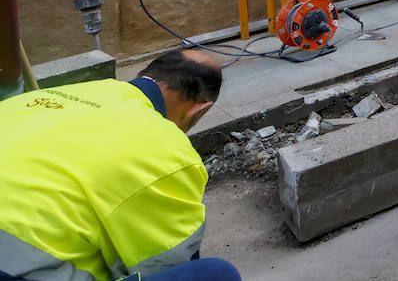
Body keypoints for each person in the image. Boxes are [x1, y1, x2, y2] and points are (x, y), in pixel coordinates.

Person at [0, 49, 239, 281]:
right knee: (215, 274)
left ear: (145, 74)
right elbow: (165, 262)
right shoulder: (169, 149)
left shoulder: (65, 92)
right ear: (199, 109)